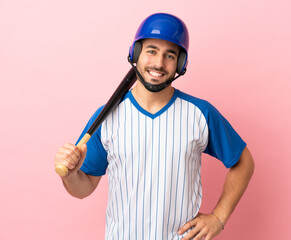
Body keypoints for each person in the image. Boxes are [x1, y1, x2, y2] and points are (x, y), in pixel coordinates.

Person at [54, 13, 255, 240]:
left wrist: (219, 218)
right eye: (151, 51)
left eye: (170, 55)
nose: (159, 63)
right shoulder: (106, 117)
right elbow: (84, 187)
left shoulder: (200, 113)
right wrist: (70, 176)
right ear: (136, 54)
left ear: (180, 63)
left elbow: (243, 162)